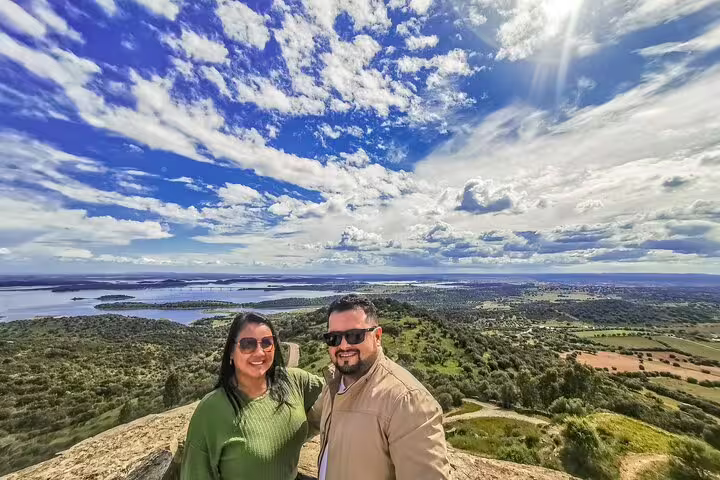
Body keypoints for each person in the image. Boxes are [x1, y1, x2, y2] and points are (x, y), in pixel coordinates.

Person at [316, 295, 450, 480]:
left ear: (377, 336)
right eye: (334, 338)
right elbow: (307, 421)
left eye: (355, 335)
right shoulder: (333, 384)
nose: (344, 345)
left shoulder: (407, 401)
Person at [181, 312, 323, 480]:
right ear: (231, 352)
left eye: (266, 343)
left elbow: (342, 392)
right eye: (248, 344)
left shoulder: (293, 381)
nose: (259, 352)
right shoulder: (211, 410)